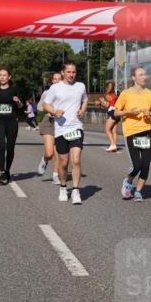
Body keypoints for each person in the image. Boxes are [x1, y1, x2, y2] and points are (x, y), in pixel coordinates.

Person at [41, 62, 87, 204]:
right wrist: (55, 111)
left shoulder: (81, 86)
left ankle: (75, 191)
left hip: (76, 127)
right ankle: (62, 187)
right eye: (68, 72)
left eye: (73, 72)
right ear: (63, 73)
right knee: (63, 163)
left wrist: (82, 110)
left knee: (77, 160)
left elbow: (85, 100)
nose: (71, 75)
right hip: (61, 130)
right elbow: (45, 105)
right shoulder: (55, 88)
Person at [115, 66, 151, 201]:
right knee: (137, 165)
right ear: (134, 78)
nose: (144, 77)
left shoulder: (150, 94)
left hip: (146, 131)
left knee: (146, 165)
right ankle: (129, 181)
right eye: (141, 75)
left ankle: (138, 192)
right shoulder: (125, 93)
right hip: (131, 132)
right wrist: (129, 112)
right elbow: (116, 112)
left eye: (145, 75)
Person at [0, 68, 24, 185]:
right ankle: (2, 172)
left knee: (10, 148)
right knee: (2, 145)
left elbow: (21, 106)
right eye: (0, 75)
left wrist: (17, 101)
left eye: (4, 75)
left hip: (12, 121)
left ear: (9, 77)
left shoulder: (14, 89)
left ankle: (7, 169)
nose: (2, 77)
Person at [36, 72, 61, 184]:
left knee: (59, 152)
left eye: (59, 79)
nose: (57, 81)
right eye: (55, 79)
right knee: (50, 152)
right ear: (52, 81)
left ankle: (55, 175)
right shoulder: (47, 93)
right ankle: (45, 159)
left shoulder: (66, 93)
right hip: (47, 121)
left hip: (61, 123)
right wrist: (50, 110)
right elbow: (39, 107)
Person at [96, 81, 119, 151]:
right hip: (117, 112)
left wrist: (100, 103)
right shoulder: (115, 95)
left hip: (112, 112)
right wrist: (102, 102)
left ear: (107, 87)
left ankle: (112, 144)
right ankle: (114, 146)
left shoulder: (108, 95)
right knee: (114, 131)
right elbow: (111, 104)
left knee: (107, 129)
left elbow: (107, 105)